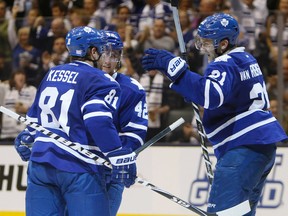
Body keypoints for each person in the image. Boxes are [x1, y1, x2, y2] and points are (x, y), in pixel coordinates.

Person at [141, 13, 288, 215]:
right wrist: (190, 88)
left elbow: (211, 96)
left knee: (222, 213)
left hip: (242, 148)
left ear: (224, 43)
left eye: (208, 42)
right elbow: (230, 98)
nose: (203, 48)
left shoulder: (224, 63)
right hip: (261, 147)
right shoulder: (246, 58)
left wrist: (175, 70)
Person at [13, 26, 137, 216]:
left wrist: (27, 137)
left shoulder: (52, 73)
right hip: (78, 168)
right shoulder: (101, 80)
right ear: (93, 52)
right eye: (101, 50)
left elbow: (34, 117)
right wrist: (117, 154)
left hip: (40, 164)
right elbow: (97, 120)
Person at [102, 30, 148, 216]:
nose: (108, 60)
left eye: (114, 55)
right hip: (79, 167)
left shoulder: (132, 89)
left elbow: (134, 134)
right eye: (104, 53)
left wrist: (125, 158)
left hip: (111, 171)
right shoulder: (80, 82)